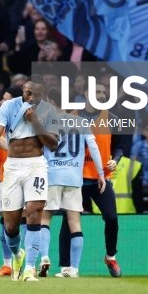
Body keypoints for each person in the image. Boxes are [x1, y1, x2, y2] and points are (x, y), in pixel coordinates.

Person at [0, 75, 59, 281]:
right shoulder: (9, 106)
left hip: (36, 165)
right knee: (10, 224)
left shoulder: (48, 111)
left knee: (35, 211)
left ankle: (29, 269)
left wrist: (35, 120)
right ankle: (18, 254)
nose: (29, 96)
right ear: (22, 92)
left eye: (34, 93)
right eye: (27, 92)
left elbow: (53, 144)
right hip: (13, 166)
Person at [58, 80, 124, 277]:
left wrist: (116, 160)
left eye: (104, 92)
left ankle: (110, 256)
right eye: (98, 91)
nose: (102, 95)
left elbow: (120, 146)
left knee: (111, 218)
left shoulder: (112, 118)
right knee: (67, 223)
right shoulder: (71, 117)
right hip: (75, 179)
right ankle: (65, 266)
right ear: (86, 93)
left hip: (100, 179)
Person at [40, 113, 105, 278]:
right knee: (74, 223)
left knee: (45, 219)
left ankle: (44, 257)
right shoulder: (81, 122)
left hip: (52, 176)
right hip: (74, 178)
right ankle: (74, 268)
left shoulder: (47, 120)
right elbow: (94, 146)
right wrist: (101, 174)